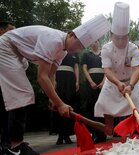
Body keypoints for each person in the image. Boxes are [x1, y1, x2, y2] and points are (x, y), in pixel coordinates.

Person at [0, 15, 111, 154]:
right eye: (78, 44)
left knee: (16, 96)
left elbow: (52, 75)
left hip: (18, 55)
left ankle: (9, 144)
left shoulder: (63, 51)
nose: (77, 50)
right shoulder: (52, 40)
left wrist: (52, 99)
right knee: (22, 94)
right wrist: (60, 104)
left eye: (82, 48)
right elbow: (42, 77)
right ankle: (16, 146)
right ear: (71, 34)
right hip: (6, 48)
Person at [94, 2, 139, 135]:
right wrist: (118, 83)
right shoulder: (106, 48)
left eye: (124, 38)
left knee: (135, 106)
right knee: (103, 104)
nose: (120, 42)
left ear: (129, 36)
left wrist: (131, 85)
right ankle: (104, 133)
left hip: (131, 81)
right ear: (111, 36)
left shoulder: (133, 48)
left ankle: (136, 131)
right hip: (112, 81)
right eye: (117, 38)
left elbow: (137, 69)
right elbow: (107, 71)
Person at [81, 40, 107, 143]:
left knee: (102, 107)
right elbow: (84, 69)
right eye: (92, 41)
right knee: (91, 107)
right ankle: (94, 133)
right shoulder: (86, 54)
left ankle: (103, 133)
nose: (94, 43)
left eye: (96, 41)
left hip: (103, 83)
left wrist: (103, 82)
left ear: (99, 42)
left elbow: (107, 69)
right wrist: (91, 82)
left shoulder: (104, 54)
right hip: (90, 84)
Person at [53, 53, 80, 145]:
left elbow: (76, 67)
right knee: (59, 105)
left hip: (70, 79)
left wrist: (77, 81)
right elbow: (53, 65)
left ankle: (67, 135)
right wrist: (54, 80)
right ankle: (60, 135)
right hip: (59, 78)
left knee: (69, 104)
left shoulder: (75, 53)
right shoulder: (57, 49)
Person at [0, 21, 16, 152]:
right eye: (11, 29)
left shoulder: (13, 47)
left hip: (9, 85)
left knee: (8, 114)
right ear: (1, 30)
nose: (14, 33)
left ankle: (6, 142)